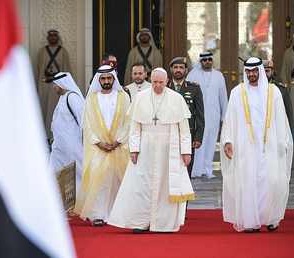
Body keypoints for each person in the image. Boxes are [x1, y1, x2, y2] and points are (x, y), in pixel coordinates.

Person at [108, 68, 195, 234]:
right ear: (151, 81)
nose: (157, 86)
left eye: (161, 82)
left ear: (167, 81)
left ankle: (164, 224)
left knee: (165, 185)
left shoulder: (176, 99)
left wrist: (186, 152)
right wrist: (134, 149)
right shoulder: (140, 98)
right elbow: (134, 128)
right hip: (145, 147)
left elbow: (184, 130)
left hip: (168, 148)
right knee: (141, 185)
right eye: (154, 82)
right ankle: (141, 222)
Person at [221, 57, 293, 233]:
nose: (251, 75)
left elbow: (281, 118)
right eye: (248, 71)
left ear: (260, 71)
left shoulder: (273, 92)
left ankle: (270, 218)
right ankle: (250, 221)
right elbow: (229, 118)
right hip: (245, 146)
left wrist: (284, 141)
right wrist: (228, 140)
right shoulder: (237, 92)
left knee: (270, 180)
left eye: (254, 71)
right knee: (247, 181)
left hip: (269, 146)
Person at [74, 65, 131, 227]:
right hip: (97, 148)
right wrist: (98, 142)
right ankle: (97, 214)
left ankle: (116, 214)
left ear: (114, 78)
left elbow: (128, 122)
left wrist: (118, 140)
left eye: (109, 78)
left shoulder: (123, 97)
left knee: (116, 180)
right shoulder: (91, 99)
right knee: (97, 180)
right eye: (103, 79)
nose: (106, 81)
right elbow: (87, 123)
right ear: (98, 80)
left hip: (118, 147)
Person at [186, 52, 228, 179]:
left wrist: (224, 117)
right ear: (201, 61)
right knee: (197, 141)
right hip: (197, 114)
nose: (207, 62)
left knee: (210, 142)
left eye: (209, 59)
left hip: (214, 115)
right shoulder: (193, 74)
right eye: (205, 60)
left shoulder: (219, 76)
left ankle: (206, 169)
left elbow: (223, 98)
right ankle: (194, 169)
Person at [166, 57, 204, 178]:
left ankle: (184, 197)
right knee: (167, 170)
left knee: (185, 170)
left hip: (187, 135)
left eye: (181, 68)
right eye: (175, 67)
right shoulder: (164, 87)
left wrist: (198, 137)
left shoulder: (194, 88)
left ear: (186, 70)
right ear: (171, 69)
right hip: (166, 135)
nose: (178, 70)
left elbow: (199, 115)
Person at [48, 72, 84, 194]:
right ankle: (54, 198)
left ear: (61, 84)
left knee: (77, 172)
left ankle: (80, 199)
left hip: (72, 145)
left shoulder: (72, 97)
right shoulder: (63, 97)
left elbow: (82, 120)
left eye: (55, 84)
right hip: (59, 145)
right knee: (53, 173)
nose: (54, 86)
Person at [35, 29, 72, 141]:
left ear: (57, 37)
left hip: (58, 87)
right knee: (44, 111)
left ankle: (57, 137)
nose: (52, 37)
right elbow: (37, 70)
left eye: (54, 35)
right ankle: (43, 137)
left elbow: (67, 71)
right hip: (44, 86)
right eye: (50, 35)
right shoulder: (42, 52)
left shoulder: (63, 52)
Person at [263, 60, 294, 137]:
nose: (264, 74)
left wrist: (290, 135)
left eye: (267, 71)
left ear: (272, 72)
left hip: (276, 130)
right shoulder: (252, 89)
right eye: (262, 71)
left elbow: (289, 113)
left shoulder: (282, 89)